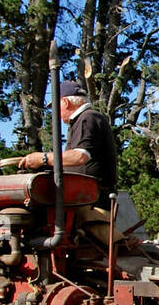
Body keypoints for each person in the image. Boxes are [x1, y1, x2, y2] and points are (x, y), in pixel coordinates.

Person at [19, 80, 117, 209]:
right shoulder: (86, 119)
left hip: (90, 202)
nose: (55, 114)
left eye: (55, 106)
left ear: (65, 102)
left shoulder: (87, 118)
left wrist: (43, 158)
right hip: (85, 198)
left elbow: (79, 156)